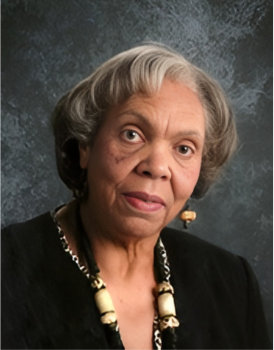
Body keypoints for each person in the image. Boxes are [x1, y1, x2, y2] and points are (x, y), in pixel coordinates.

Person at [1, 44, 270, 350]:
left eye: (184, 148)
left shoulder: (232, 283)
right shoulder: (8, 271)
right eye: (132, 134)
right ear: (85, 145)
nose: (156, 168)